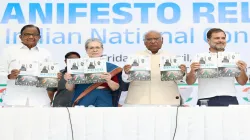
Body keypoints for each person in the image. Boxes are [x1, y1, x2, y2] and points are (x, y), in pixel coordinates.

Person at [186, 28, 248, 106]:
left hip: (229, 97)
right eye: (216, 38)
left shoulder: (234, 57)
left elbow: (242, 82)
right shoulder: (199, 57)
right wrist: (192, 71)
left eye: (223, 38)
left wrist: (242, 70)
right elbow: (189, 82)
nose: (220, 40)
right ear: (208, 41)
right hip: (206, 98)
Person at [122, 30, 186, 105]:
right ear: (144, 42)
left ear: (162, 40)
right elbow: (125, 79)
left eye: (156, 39)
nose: (153, 41)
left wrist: (182, 73)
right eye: (149, 39)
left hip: (167, 101)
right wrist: (126, 72)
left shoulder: (173, 57)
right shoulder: (134, 57)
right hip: (138, 101)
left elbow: (181, 81)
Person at [0, 24, 52, 107]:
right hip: (14, 101)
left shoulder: (46, 53)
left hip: (40, 102)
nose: (31, 37)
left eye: (35, 34)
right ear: (20, 37)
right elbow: (1, 72)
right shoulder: (8, 51)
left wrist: (54, 77)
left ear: (39, 37)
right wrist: (10, 76)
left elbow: (50, 78)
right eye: (27, 34)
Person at [64, 38, 123, 107]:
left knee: (104, 117)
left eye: (97, 47)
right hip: (84, 96)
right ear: (86, 50)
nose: (95, 50)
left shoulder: (110, 67)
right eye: (91, 48)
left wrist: (108, 80)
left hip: (104, 97)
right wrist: (69, 80)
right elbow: (69, 88)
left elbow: (115, 88)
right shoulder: (78, 65)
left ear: (102, 49)